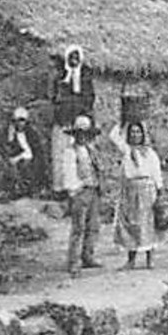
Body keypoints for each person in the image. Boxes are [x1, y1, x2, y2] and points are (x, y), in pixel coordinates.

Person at [109, 119, 164, 269]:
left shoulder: (149, 153)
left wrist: (159, 192)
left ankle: (150, 259)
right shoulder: (126, 150)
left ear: (143, 134)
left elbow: (156, 173)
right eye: (132, 132)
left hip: (147, 190)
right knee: (131, 224)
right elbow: (113, 136)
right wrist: (122, 119)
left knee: (147, 224)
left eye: (138, 132)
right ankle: (131, 260)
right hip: (130, 190)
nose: (135, 135)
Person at [49, 45, 95, 194]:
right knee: (60, 155)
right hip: (62, 121)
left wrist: (82, 115)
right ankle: (60, 187)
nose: (74, 61)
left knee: (79, 155)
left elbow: (89, 99)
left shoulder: (85, 78)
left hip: (78, 122)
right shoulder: (61, 77)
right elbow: (54, 97)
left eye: (77, 58)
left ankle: (80, 186)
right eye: (71, 58)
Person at [60, 115, 103, 273]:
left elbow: (96, 169)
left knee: (93, 226)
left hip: (93, 190)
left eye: (86, 134)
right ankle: (73, 260)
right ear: (75, 135)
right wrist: (75, 190)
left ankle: (88, 256)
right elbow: (69, 173)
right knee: (78, 227)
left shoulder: (91, 150)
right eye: (80, 133)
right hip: (80, 191)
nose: (83, 137)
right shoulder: (70, 152)